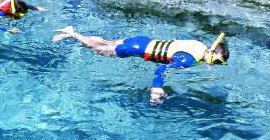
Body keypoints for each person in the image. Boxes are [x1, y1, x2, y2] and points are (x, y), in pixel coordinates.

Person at [52, 26, 229, 104]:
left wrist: (205, 62)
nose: (214, 65)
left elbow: (178, 48)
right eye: (215, 62)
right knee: (98, 49)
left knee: (105, 42)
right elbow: (161, 69)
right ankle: (72, 34)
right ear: (211, 52)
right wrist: (157, 89)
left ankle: (73, 32)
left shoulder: (199, 46)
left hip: (142, 40)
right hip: (136, 50)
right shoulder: (189, 60)